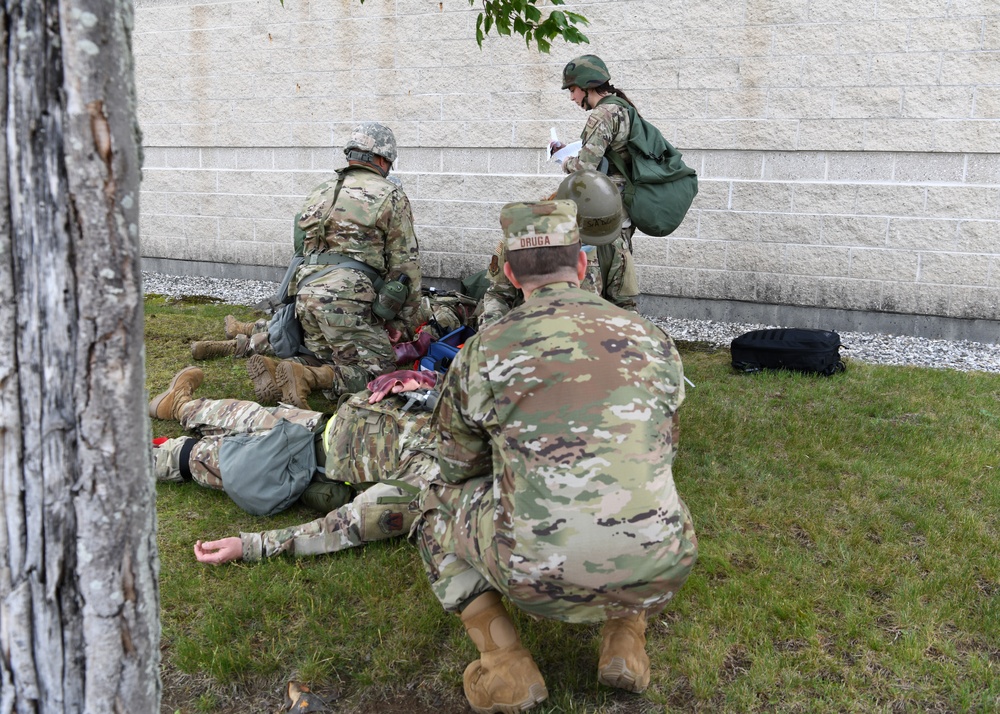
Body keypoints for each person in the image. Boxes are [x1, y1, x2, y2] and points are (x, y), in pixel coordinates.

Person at [414, 200, 698, 712]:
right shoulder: (654, 340)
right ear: (584, 264)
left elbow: (458, 469)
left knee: (435, 504)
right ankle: (625, 637)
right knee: (646, 486)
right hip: (661, 562)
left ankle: (505, 666)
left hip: (535, 577)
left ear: (509, 273)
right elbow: (666, 449)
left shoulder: (485, 350)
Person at [148, 365, 439, 563]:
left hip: (297, 467)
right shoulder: (465, 409)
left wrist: (252, 546)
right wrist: (421, 380)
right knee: (239, 413)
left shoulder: (434, 474)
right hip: (314, 427)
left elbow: (349, 525)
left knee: (196, 458)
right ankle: (178, 406)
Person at [269, 121, 423, 409]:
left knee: (331, 354)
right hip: (345, 299)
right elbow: (406, 265)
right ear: (381, 158)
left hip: (304, 293)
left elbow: (299, 248)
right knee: (383, 374)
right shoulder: (389, 194)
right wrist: (405, 324)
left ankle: (286, 367)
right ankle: (309, 377)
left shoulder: (320, 191)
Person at [477, 169, 632, 328]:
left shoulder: (613, 247)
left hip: (591, 339)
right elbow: (499, 295)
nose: (582, 244)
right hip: (528, 336)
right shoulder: (522, 238)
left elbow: (625, 305)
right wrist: (492, 333)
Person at [548, 54, 642, 313]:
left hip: (605, 207)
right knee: (620, 275)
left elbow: (586, 168)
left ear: (586, 86)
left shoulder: (602, 114)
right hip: (622, 205)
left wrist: (563, 159)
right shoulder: (623, 107)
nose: (572, 97)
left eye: (573, 90)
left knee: (599, 283)